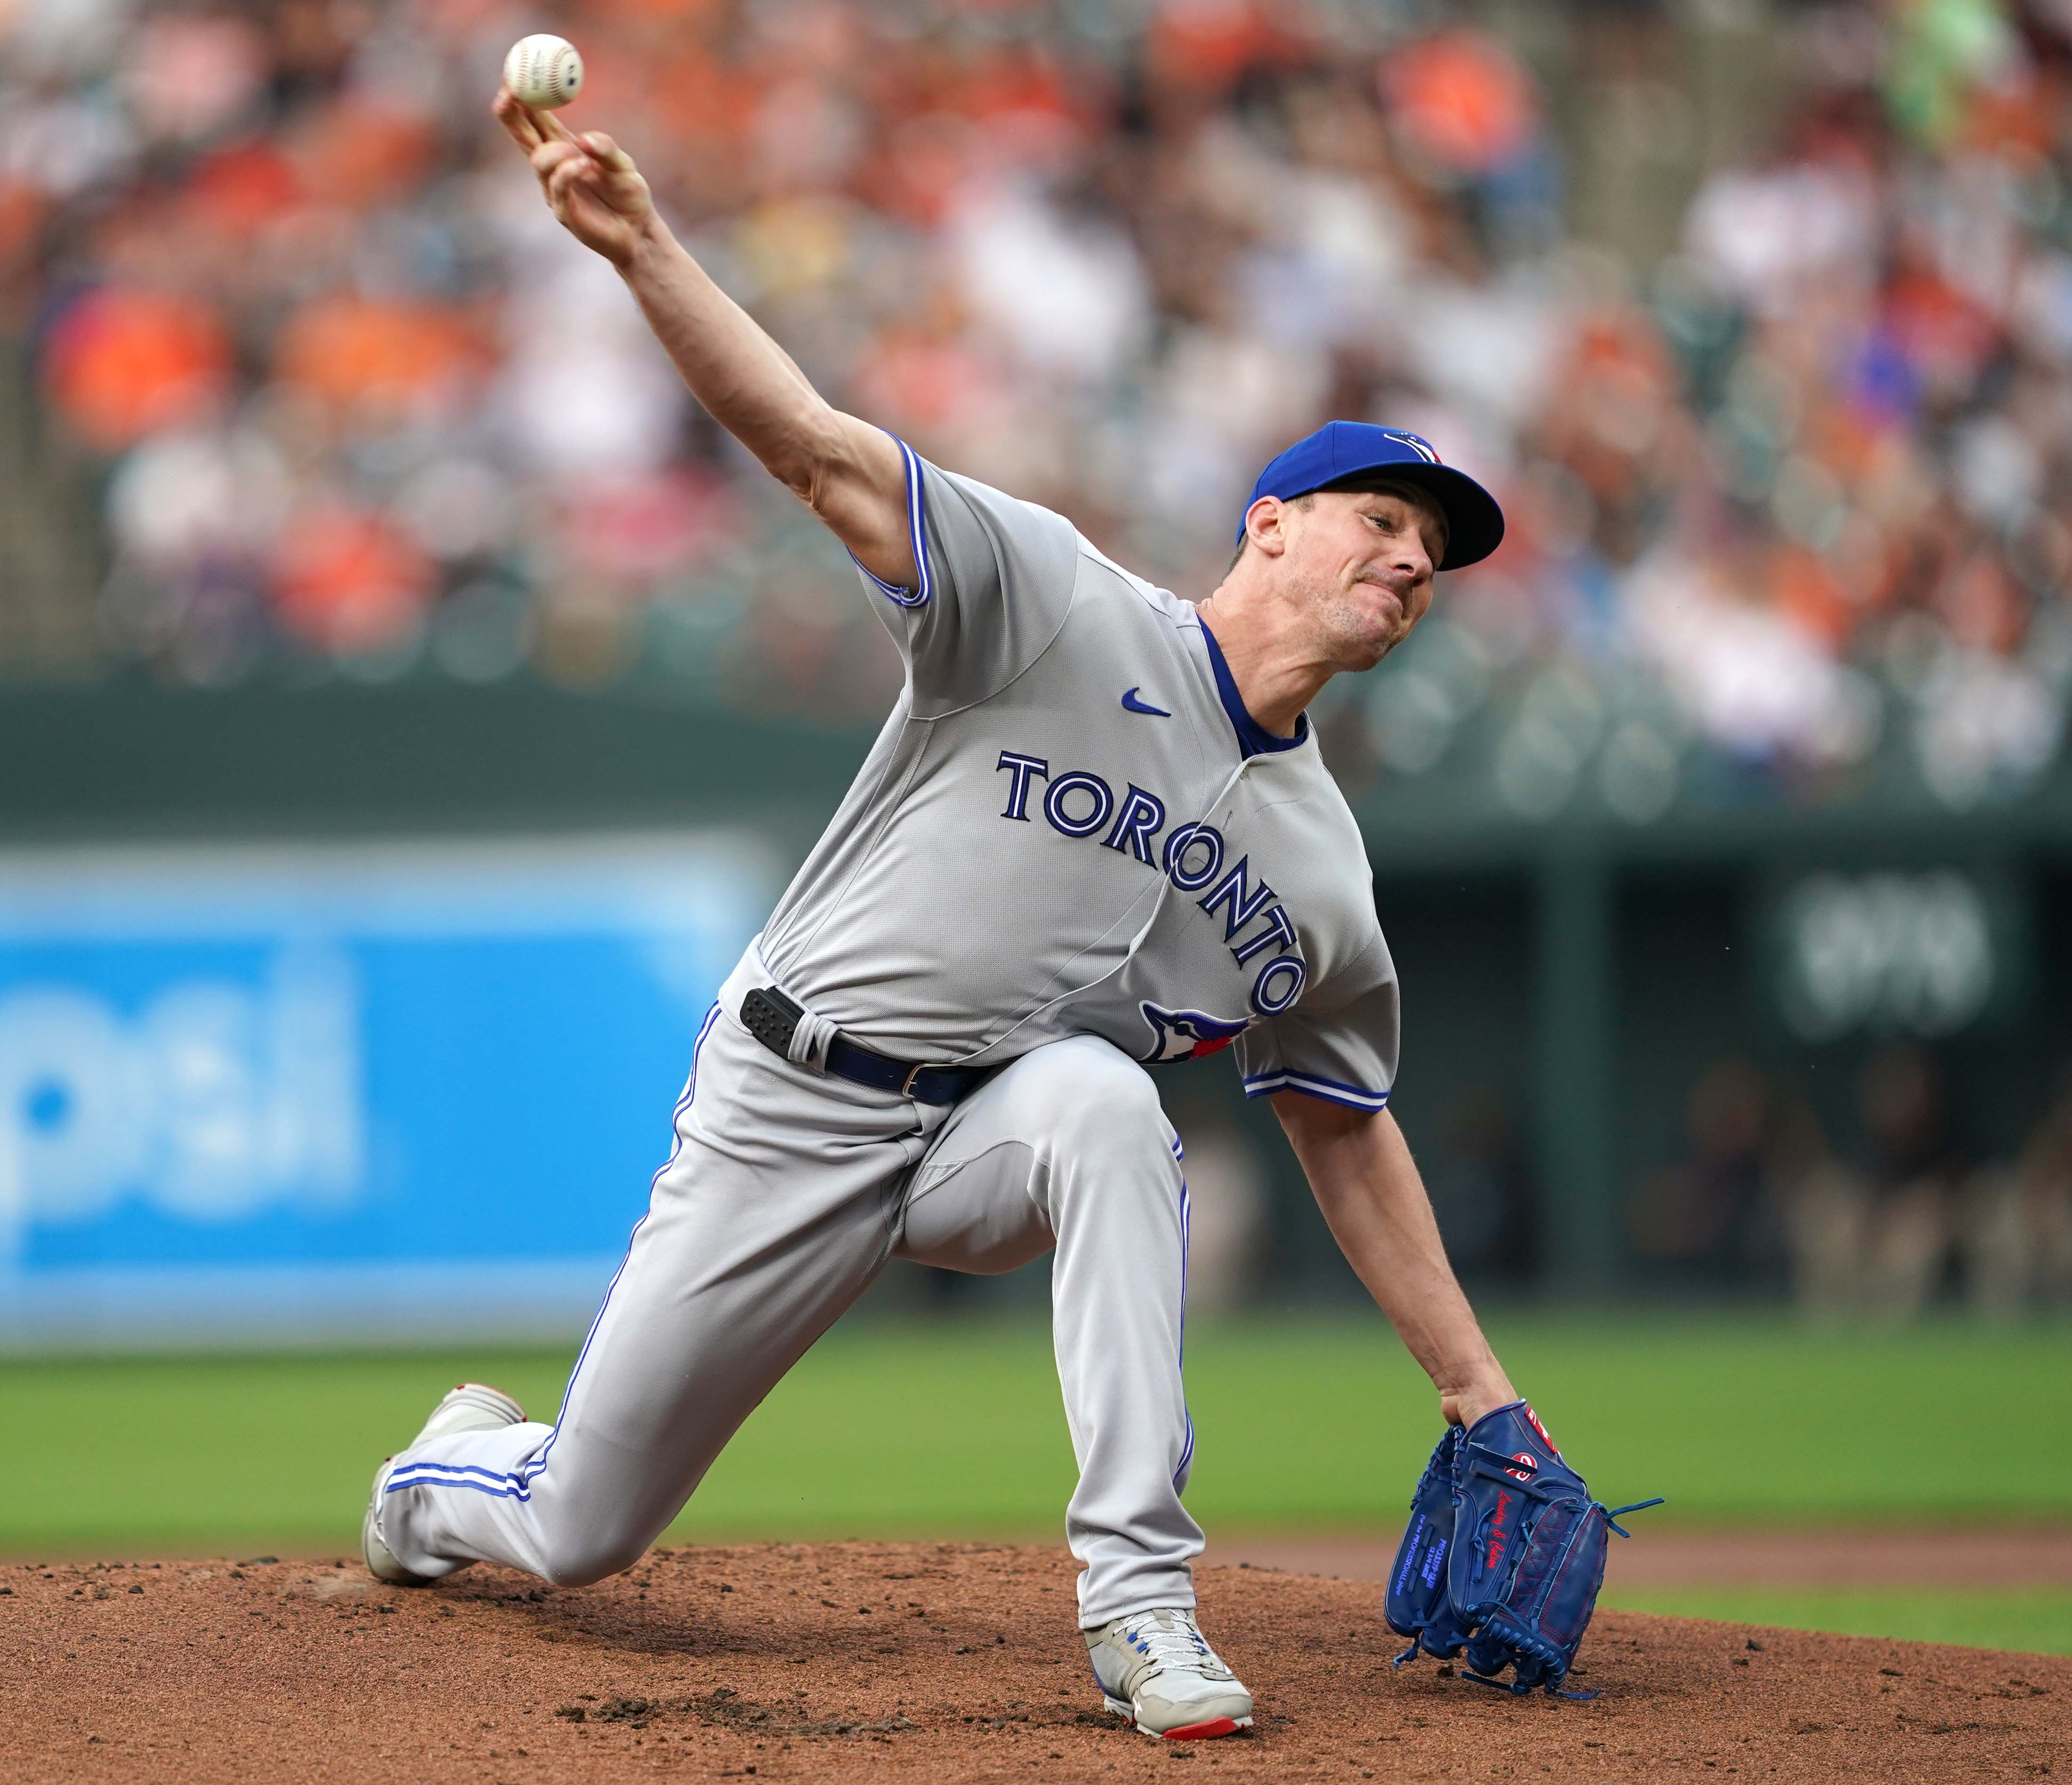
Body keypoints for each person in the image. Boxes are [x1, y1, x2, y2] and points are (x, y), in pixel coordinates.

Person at [359, 91, 1525, 1745]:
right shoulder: (1052, 601)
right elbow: (819, 448)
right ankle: (446, 1472)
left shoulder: (1323, 869)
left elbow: (1344, 1119)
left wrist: (1477, 1383)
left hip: (986, 1130)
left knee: (1113, 1112)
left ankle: (1143, 1604)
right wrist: (641, 249)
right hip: (789, 1101)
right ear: (1269, 523)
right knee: (578, 1533)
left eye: (1435, 557)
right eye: (1382, 522)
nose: (1412, 564)